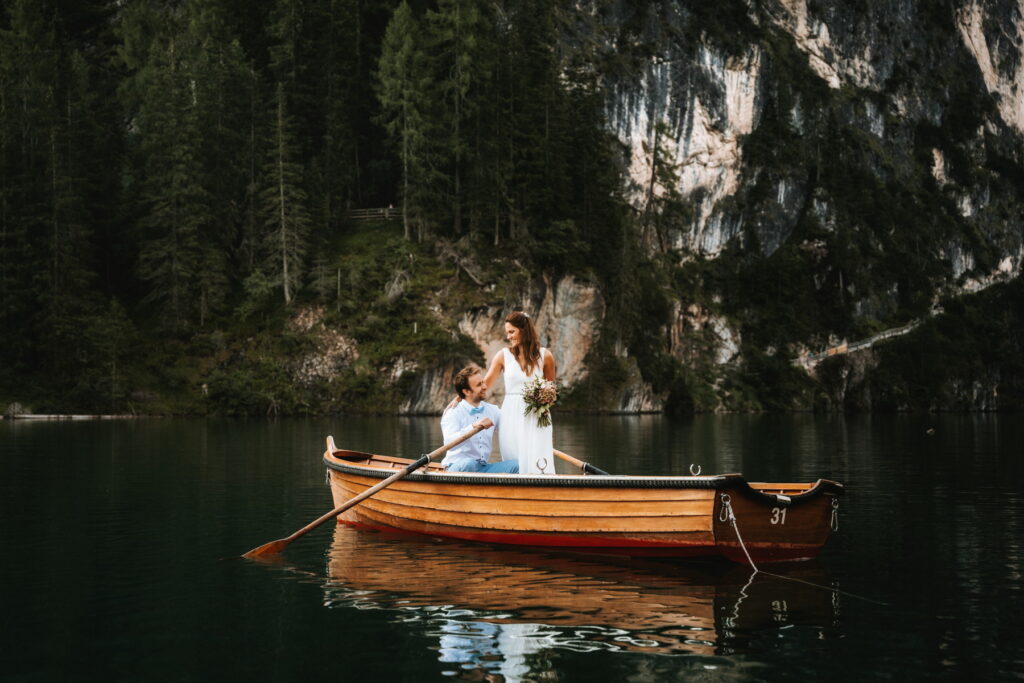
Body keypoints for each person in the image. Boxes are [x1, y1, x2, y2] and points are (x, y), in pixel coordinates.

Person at [481, 311, 556, 475]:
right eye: (507, 332)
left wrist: (545, 397)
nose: (508, 336)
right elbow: (484, 384)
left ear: (524, 330)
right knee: (513, 457)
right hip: (511, 414)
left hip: (537, 415)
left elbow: (551, 390)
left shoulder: (546, 356)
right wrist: (460, 396)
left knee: (539, 458)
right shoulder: (503, 356)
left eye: (511, 332)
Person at [440, 365, 520, 473]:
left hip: (483, 468)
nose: (484, 386)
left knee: (516, 465)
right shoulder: (453, 413)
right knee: (470, 464)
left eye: (483, 382)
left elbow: (513, 427)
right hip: (456, 467)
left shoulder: (493, 410)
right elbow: (449, 444)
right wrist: (473, 426)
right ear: (466, 391)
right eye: (479, 385)